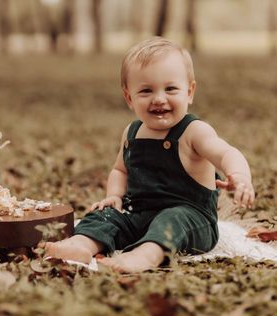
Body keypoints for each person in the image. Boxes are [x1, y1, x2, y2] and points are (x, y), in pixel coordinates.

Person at [44, 37, 255, 273]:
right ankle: (81, 244)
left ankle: (144, 255)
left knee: (173, 219)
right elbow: (120, 169)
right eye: (146, 90)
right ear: (129, 98)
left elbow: (226, 152)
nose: (159, 98)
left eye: (171, 88)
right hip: (140, 216)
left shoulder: (194, 132)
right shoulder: (131, 132)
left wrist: (238, 175)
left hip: (192, 221)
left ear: (190, 92)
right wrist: (114, 195)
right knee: (104, 216)